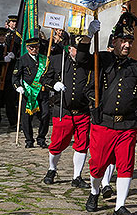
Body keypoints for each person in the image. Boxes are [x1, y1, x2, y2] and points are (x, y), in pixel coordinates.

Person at [85, 10, 137, 215]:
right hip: (103, 123)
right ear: (114, 41)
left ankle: (120, 206)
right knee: (97, 164)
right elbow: (80, 59)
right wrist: (88, 37)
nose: (127, 45)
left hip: (127, 125)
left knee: (126, 165)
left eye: (130, 41)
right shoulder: (102, 60)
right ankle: (94, 191)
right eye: (123, 41)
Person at [39, 27, 97, 188]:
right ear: (70, 48)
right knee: (57, 143)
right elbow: (44, 79)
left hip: (83, 110)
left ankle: (77, 176)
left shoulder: (90, 62)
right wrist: (53, 84)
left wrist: (90, 35)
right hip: (62, 110)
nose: (79, 53)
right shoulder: (57, 60)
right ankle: (52, 168)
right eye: (76, 50)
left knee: (82, 143)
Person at [12, 37, 51, 148]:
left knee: (45, 115)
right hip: (28, 93)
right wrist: (18, 86)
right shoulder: (22, 60)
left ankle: (41, 138)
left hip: (42, 92)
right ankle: (29, 140)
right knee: (27, 118)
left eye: (36, 47)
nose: (34, 49)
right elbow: (15, 77)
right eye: (32, 47)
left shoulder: (45, 59)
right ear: (27, 48)